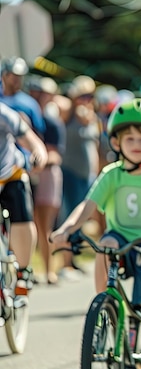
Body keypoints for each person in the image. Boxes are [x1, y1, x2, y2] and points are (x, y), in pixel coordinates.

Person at [50, 98, 141, 369]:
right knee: (106, 242)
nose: (136, 144)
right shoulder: (111, 174)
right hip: (120, 237)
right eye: (130, 138)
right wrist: (66, 229)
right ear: (116, 143)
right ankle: (106, 301)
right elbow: (86, 208)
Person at [0, 101, 47, 306]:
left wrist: (39, 154)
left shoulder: (4, 114)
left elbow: (31, 140)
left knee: (21, 217)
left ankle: (23, 271)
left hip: (9, 174)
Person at [58, 75, 102, 280]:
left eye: (90, 95)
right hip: (70, 171)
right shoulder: (69, 112)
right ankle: (65, 263)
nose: (87, 99)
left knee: (82, 219)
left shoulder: (93, 116)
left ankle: (74, 260)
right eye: (83, 95)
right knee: (70, 217)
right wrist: (74, 104)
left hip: (88, 175)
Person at [28, 76, 67, 285]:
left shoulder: (51, 121)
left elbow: (55, 154)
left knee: (46, 225)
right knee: (30, 224)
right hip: (30, 174)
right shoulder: (28, 118)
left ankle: (50, 270)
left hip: (47, 174)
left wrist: (37, 157)